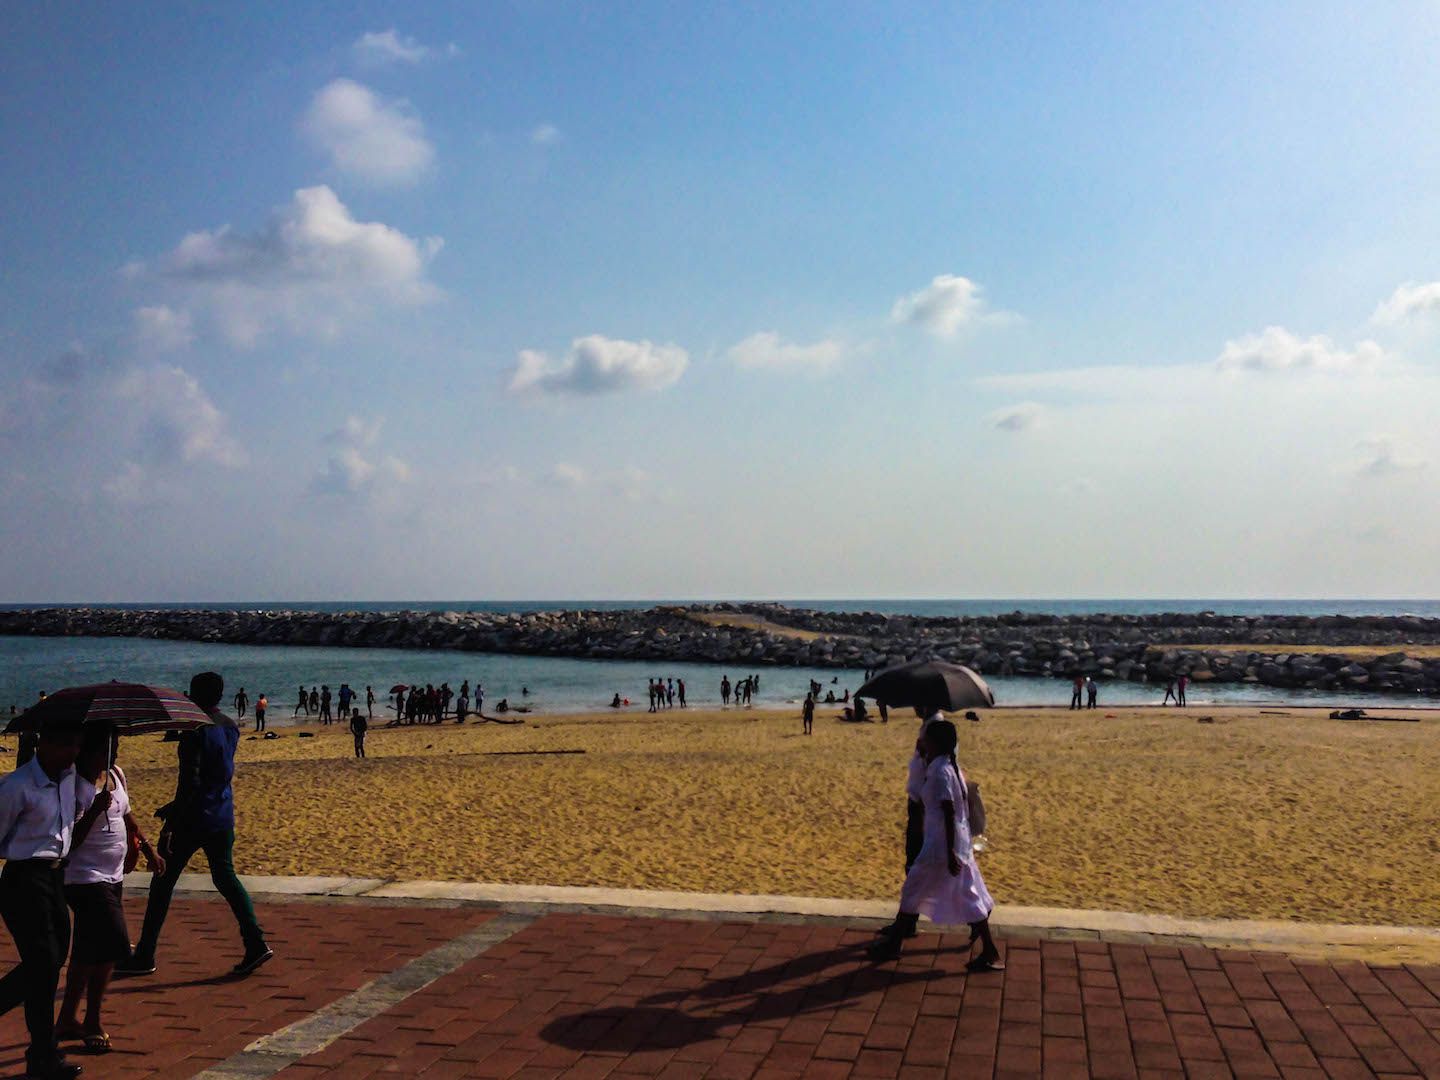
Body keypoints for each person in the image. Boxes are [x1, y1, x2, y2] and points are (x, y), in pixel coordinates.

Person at [117, 672, 272, 980]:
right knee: (225, 876)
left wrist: (173, 819)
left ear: (193, 695)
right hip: (222, 811)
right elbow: (214, 774)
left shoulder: (194, 731)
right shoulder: (229, 726)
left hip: (194, 817)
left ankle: (145, 954)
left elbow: (190, 781)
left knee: (162, 884)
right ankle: (255, 941)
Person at [57, 725, 163, 1056]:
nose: (113, 752)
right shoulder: (72, 785)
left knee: (90, 951)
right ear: (88, 748)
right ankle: (91, 1021)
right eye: (107, 746)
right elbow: (66, 841)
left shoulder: (115, 774)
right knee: (114, 943)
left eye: (115, 745)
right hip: (84, 877)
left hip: (114, 875)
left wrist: (147, 849)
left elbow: (127, 817)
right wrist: (93, 810)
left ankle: (67, 1019)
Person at [870, 719, 1000, 970]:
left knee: (913, 889)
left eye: (927, 738)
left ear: (937, 743)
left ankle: (893, 943)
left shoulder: (941, 771)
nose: (922, 741)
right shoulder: (949, 766)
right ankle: (989, 951)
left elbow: (948, 811)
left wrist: (950, 851)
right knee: (969, 895)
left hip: (941, 847)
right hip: (955, 843)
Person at [0, 713, 85, 1080]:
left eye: (75, 746)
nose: (72, 753)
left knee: (51, 963)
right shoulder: (17, 786)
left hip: (55, 877)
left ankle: (41, 1055)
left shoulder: (70, 781)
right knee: (43, 962)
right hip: (23, 878)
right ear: (43, 745)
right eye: (65, 746)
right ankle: (43, 1052)